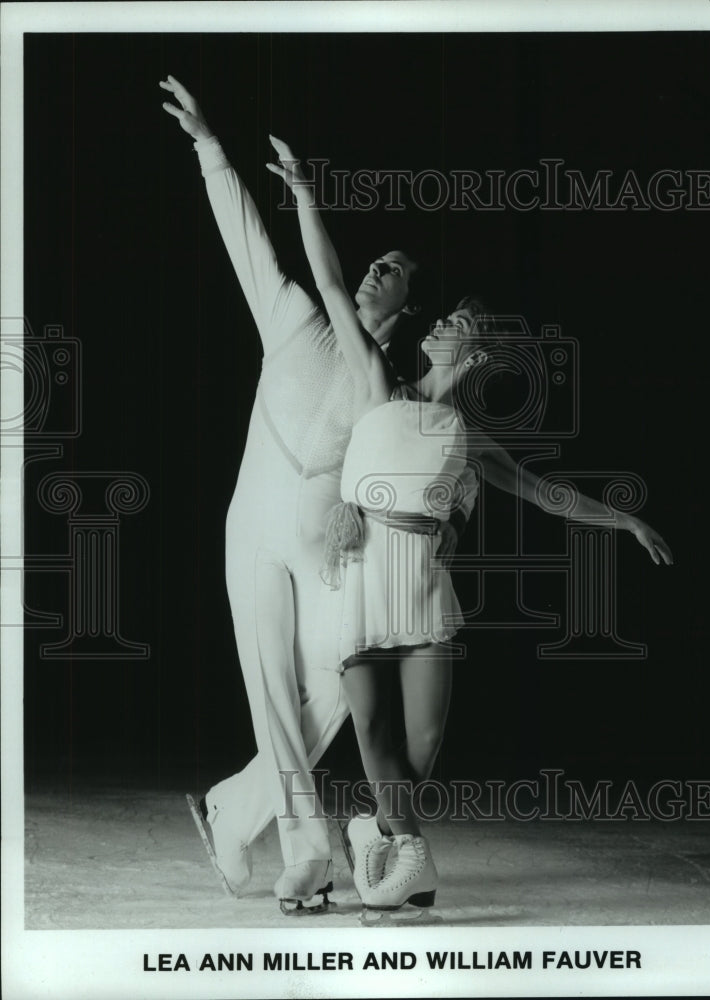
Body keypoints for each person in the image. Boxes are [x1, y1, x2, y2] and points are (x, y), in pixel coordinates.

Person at [267, 136, 674, 915]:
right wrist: (305, 191)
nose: (445, 323)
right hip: (361, 572)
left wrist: (622, 519)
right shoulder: (380, 381)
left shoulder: (466, 435)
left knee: (417, 753)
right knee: (380, 740)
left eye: (460, 321)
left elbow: (547, 494)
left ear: (476, 349)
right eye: (444, 313)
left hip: (423, 587)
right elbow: (324, 276)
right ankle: (406, 865)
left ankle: (367, 831)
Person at [159, 76, 477, 911]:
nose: (375, 271)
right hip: (257, 528)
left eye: (393, 272)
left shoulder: (397, 389)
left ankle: (234, 806)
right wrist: (209, 146)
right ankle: (302, 854)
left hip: (334, 550)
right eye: (374, 261)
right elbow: (248, 240)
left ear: (409, 307)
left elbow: (433, 473)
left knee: (339, 691)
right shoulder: (296, 314)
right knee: (270, 683)